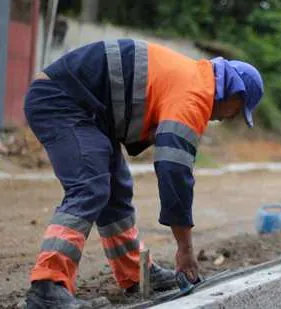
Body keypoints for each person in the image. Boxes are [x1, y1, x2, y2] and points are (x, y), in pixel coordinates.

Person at [23, 39, 264, 308]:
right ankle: (47, 286)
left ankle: (135, 272)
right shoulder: (195, 94)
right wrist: (185, 249)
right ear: (234, 93)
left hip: (87, 109)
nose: (228, 119)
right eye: (237, 112)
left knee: (115, 189)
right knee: (89, 186)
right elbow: (175, 172)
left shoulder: (194, 79)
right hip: (60, 99)